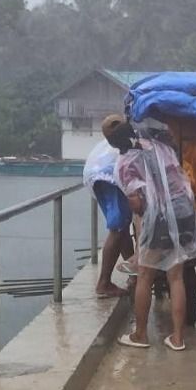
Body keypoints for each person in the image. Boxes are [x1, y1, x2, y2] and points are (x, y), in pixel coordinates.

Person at [110, 115, 196, 351]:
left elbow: (137, 203)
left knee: (145, 275)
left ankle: (141, 335)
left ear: (116, 145)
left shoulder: (125, 162)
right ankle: (177, 338)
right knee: (175, 276)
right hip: (185, 211)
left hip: (159, 217)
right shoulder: (162, 148)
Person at [82, 116, 134, 298]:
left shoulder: (109, 142)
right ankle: (104, 282)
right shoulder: (122, 140)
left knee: (123, 225)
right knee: (119, 226)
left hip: (98, 176)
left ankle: (133, 273)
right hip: (108, 177)